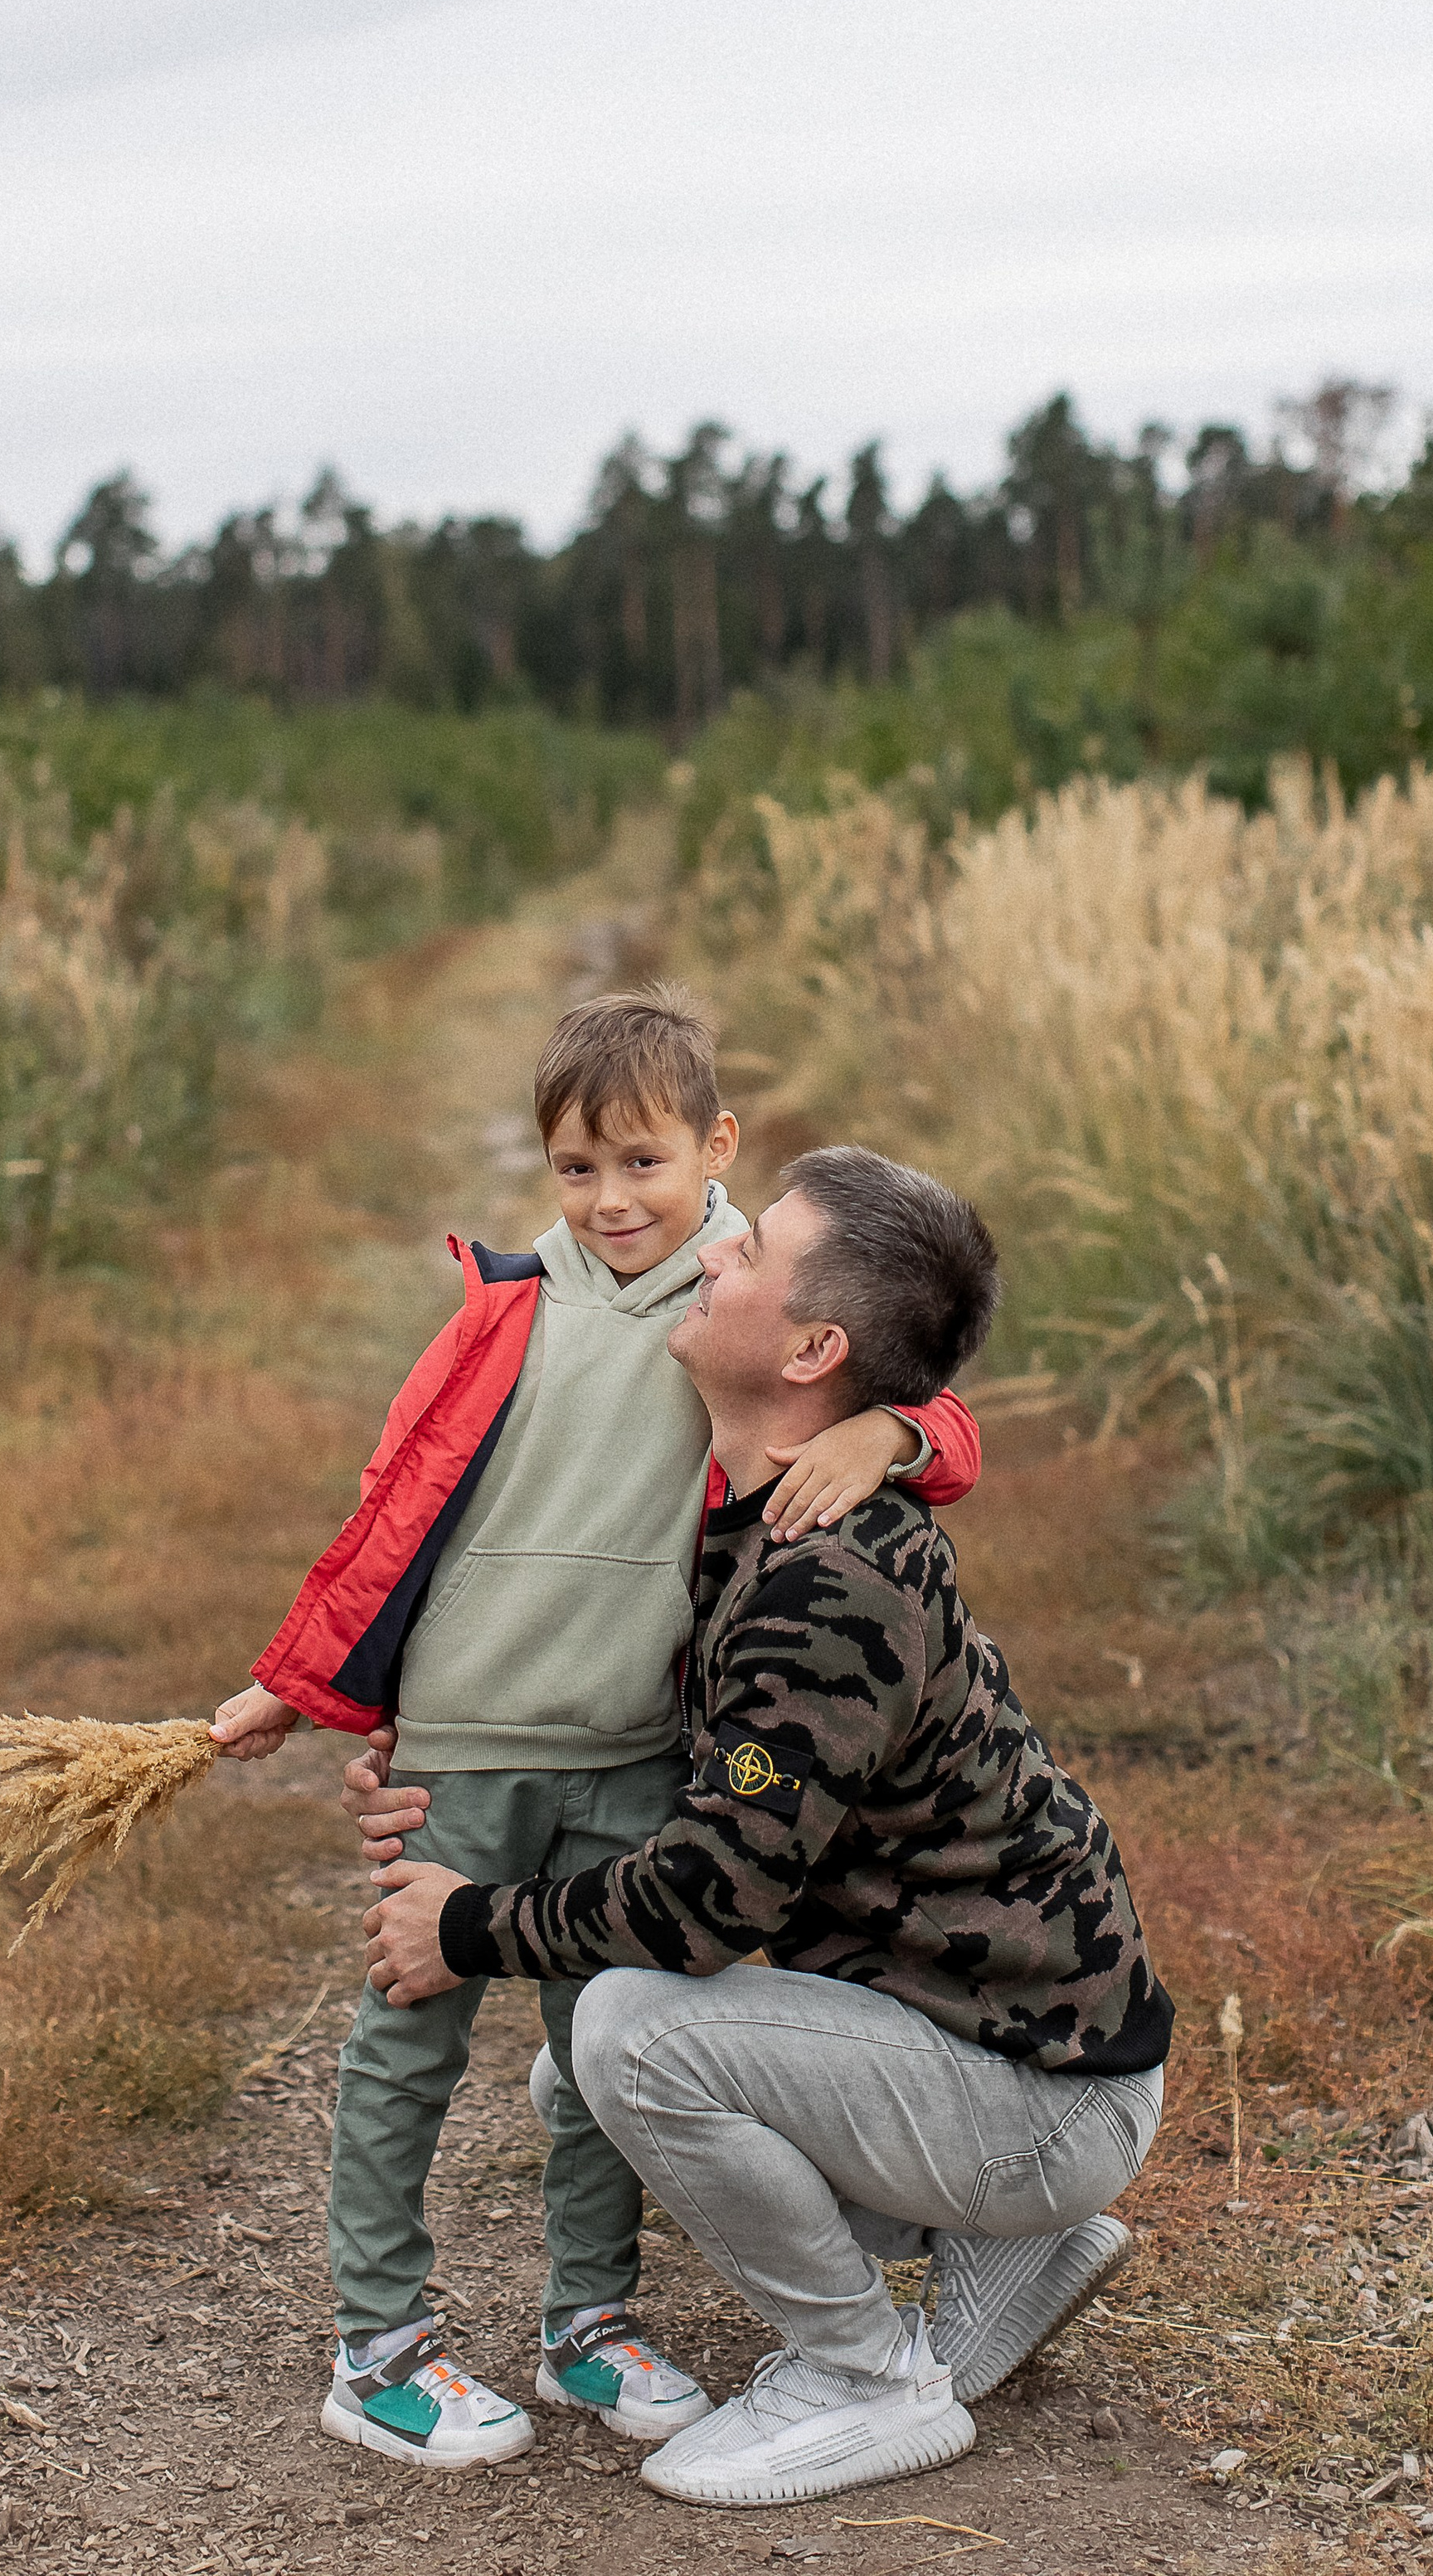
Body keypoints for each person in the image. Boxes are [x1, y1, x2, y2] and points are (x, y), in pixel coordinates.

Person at [208, 991, 981, 2474]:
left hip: (631, 1747)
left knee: (596, 2055)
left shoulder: (743, 1298)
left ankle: (589, 2321)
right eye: (577, 1168)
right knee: (407, 2040)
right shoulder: (504, 1313)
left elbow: (933, 1404)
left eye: (642, 1162)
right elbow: (392, 1513)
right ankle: (377, 2345)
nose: (613, 1199)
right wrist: (298, 1687)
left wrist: (885, 1428)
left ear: (717, 1146)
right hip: (468, 1739)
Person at [361, 1142, 1172, 2510]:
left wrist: (469, 1925)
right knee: (577, 2082)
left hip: (1045, 2090)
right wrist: (433, 1753)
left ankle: (862, 2377)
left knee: (629, 2035)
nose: (714, 1244)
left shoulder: (828, 1583)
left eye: (750, 1248)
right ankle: (1004, 2249)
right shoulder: (748, 1506)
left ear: (811, 1350)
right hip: (1003, 2047)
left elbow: (706, 1906)